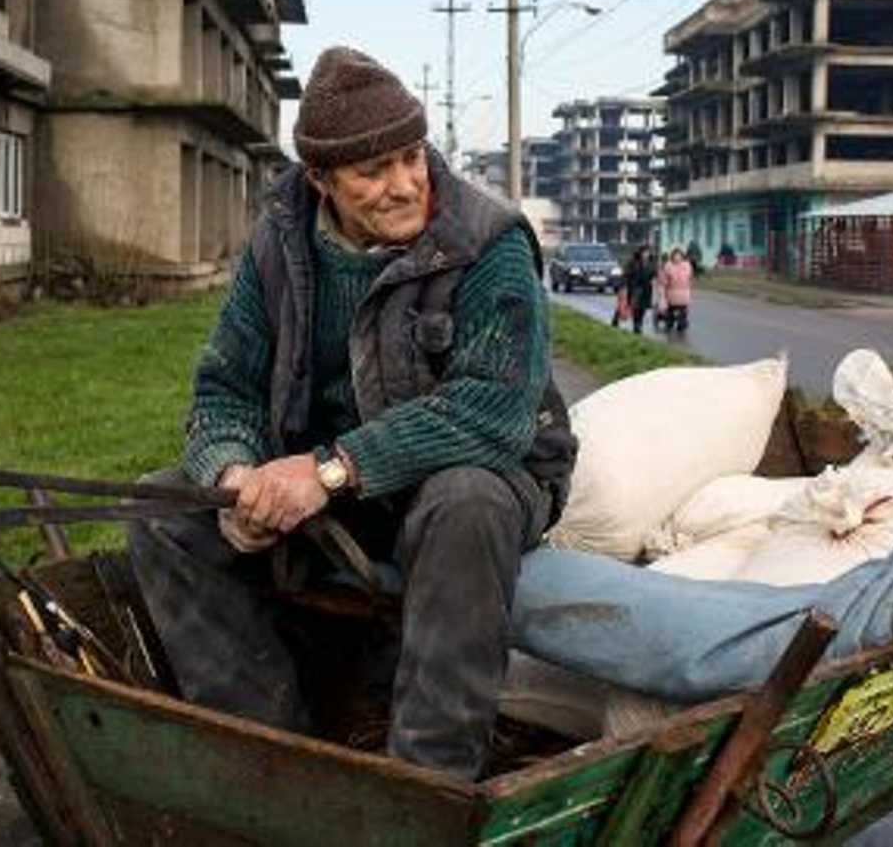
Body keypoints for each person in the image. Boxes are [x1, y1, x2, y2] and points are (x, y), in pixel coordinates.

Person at [129, 46, 577, 781]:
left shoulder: (489, 240)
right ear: (320, 179)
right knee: (161, 508)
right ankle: (277, 762)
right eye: (373, 171)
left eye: (412, 157)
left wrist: (330, 468)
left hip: (478, 474)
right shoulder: (280, 240)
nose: (404, 185)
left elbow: (493, 411)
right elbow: (224, 385)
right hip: (331, 485)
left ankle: (425, 785)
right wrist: (238, 476)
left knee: (465, 501)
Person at [656, 247, 694, 332]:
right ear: (672, 256)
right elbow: (663, 280)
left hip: (684, 294)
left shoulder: (686, 266)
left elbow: (689, 278)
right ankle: (669, 322)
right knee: (671, 310)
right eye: (676, 256)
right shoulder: (668, 266)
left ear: (682, 256)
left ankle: (682, 323)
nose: (677, 258)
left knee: (683, 311)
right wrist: (663, 293)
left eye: (679, 255)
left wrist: (690, 290)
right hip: (672, 293)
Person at [625, 245, 656, 334]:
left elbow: (654, 273)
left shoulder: (651, 262)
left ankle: (640, 323)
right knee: (635, 307)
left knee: (643, 307)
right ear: (640, 252)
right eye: (644, 252)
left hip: (647, 288)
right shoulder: (633, 262)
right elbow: (627, 273)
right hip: (636, 287)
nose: (646, 254)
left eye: (648, 252)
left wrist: (654, 278)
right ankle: (636, 324)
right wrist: (628, 283)